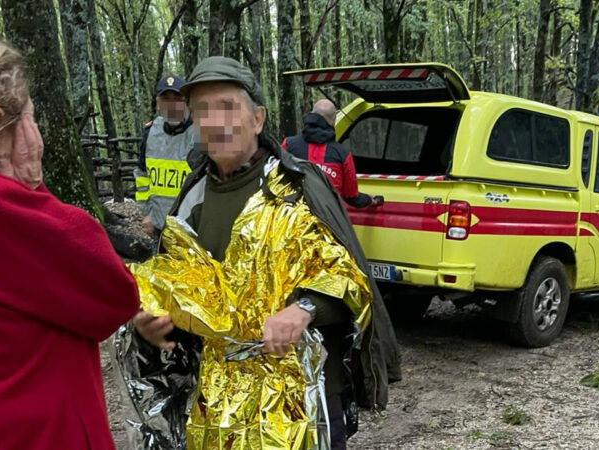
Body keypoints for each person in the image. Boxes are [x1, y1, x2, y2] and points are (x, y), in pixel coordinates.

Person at [117, 56, 400, 450]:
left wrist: (304, 307)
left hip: (307, 396)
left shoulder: (300, 188)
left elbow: (352, 281)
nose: (216, 121)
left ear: (258, 119)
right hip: (222, 404)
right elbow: (181, 297)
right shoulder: (190, 202)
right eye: (203, 112)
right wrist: (152, 328)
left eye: (227, 108)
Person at [0, 39, 140, 450]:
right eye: (31, 118)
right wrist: (30, 185)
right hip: (39, 434)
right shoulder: (35, 228)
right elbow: (116, 298)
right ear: (13, 128)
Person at [283, 99, 381, 208]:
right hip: (329, 221)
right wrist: (371, 201)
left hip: (293, 219)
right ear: (333, 121)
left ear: (311, 115)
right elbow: (352, 197)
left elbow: (276, 181)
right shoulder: (342, 154)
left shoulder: (288, 145)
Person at [134, 75, 195, 237]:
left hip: (194, 230)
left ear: (187, 102)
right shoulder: (151, 133)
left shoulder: (201, 134)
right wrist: (146, 213)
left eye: (177, 98)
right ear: (158, 103)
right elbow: (142, 176)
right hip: (159, 227)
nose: (172, 105)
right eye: (165, 99)